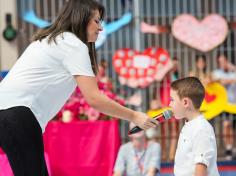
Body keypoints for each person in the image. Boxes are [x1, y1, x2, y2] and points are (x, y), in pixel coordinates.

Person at [0, 0, 157, 175]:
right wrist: (134, 115)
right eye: (97, 21)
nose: (101, 28)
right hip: (17, 114)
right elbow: (94, 98)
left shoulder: (50, 40)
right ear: (81, 19)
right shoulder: (73, 44)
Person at [169, 77, 219, 176]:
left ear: (185, 102)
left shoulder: (201, 129)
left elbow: (200, 170)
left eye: (172, 100)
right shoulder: (189, 125)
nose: (170, 104)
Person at [211, 53, 236, 160]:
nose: (223, 63)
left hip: (234, 104)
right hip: (224, 105)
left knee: (233, 128)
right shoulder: (217, 72)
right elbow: (212, 80)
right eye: (220, 62)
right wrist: (224, 81)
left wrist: (233, 68)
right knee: (226, 125)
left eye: (224, 61)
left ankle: (232, 149)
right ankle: (228, 148)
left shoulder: (233, 72)